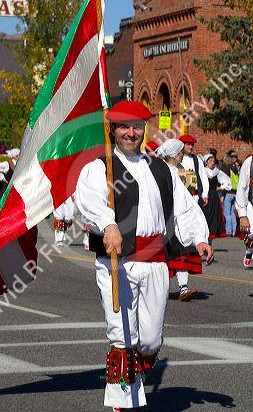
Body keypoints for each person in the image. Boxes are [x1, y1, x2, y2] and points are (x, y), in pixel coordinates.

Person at [75, 101, 213, 411]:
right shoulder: (100, 167)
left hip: (155, 264)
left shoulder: (161, 168)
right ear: (113, 130)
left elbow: (184, 207)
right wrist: (107, 225)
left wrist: (199, 238)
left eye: (136, 126)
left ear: (144, 129)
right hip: (118, 263)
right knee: (123, 335)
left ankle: (132, 374)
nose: (130, 132)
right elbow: (89, 200)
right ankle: (123, 401)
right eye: (123, 126)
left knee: (150, 341)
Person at [157, 138, 205, 301]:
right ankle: (158, 290)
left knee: (179, 254)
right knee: (166, 256)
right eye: (181, 153)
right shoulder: (165, 171)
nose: (183, 155)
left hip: (174, 218)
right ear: (176, 155)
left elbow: (193, 188)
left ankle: (182, 287)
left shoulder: (182, 169)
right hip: (167, 220)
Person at [203, 153, 231, 243]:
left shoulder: (217, 171)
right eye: (210, 160)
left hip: (214, 196)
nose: (212, 162)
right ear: (206, 162)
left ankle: (212, 234)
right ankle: (204, 234)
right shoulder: (203, 171)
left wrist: (220, 187)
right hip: (205, 196)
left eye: (213, 160)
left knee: (214, 216)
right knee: (205, 215)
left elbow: (227, 182)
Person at [179, 134, 209, 208]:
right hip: (180, 196)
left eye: (192, 145)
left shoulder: (197, 160)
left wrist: (205, 194)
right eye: (188, 145)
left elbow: (203, 177)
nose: (191, 147)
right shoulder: (176, 158)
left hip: (194, 196)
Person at [235, 155, 253, 267]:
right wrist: (242, 215)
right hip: (251, 202)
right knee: (251, 233)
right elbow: (241, 187)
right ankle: (249, 250)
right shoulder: (249, 162)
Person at [221, 151, 239, 236]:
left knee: (227, 213)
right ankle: (234, 231)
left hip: (228, 193)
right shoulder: (235, 168)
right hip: (235, 193)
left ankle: (228, 231)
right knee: (232, 213)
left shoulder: (226, 169)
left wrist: (222, 195)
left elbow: (225, 183)